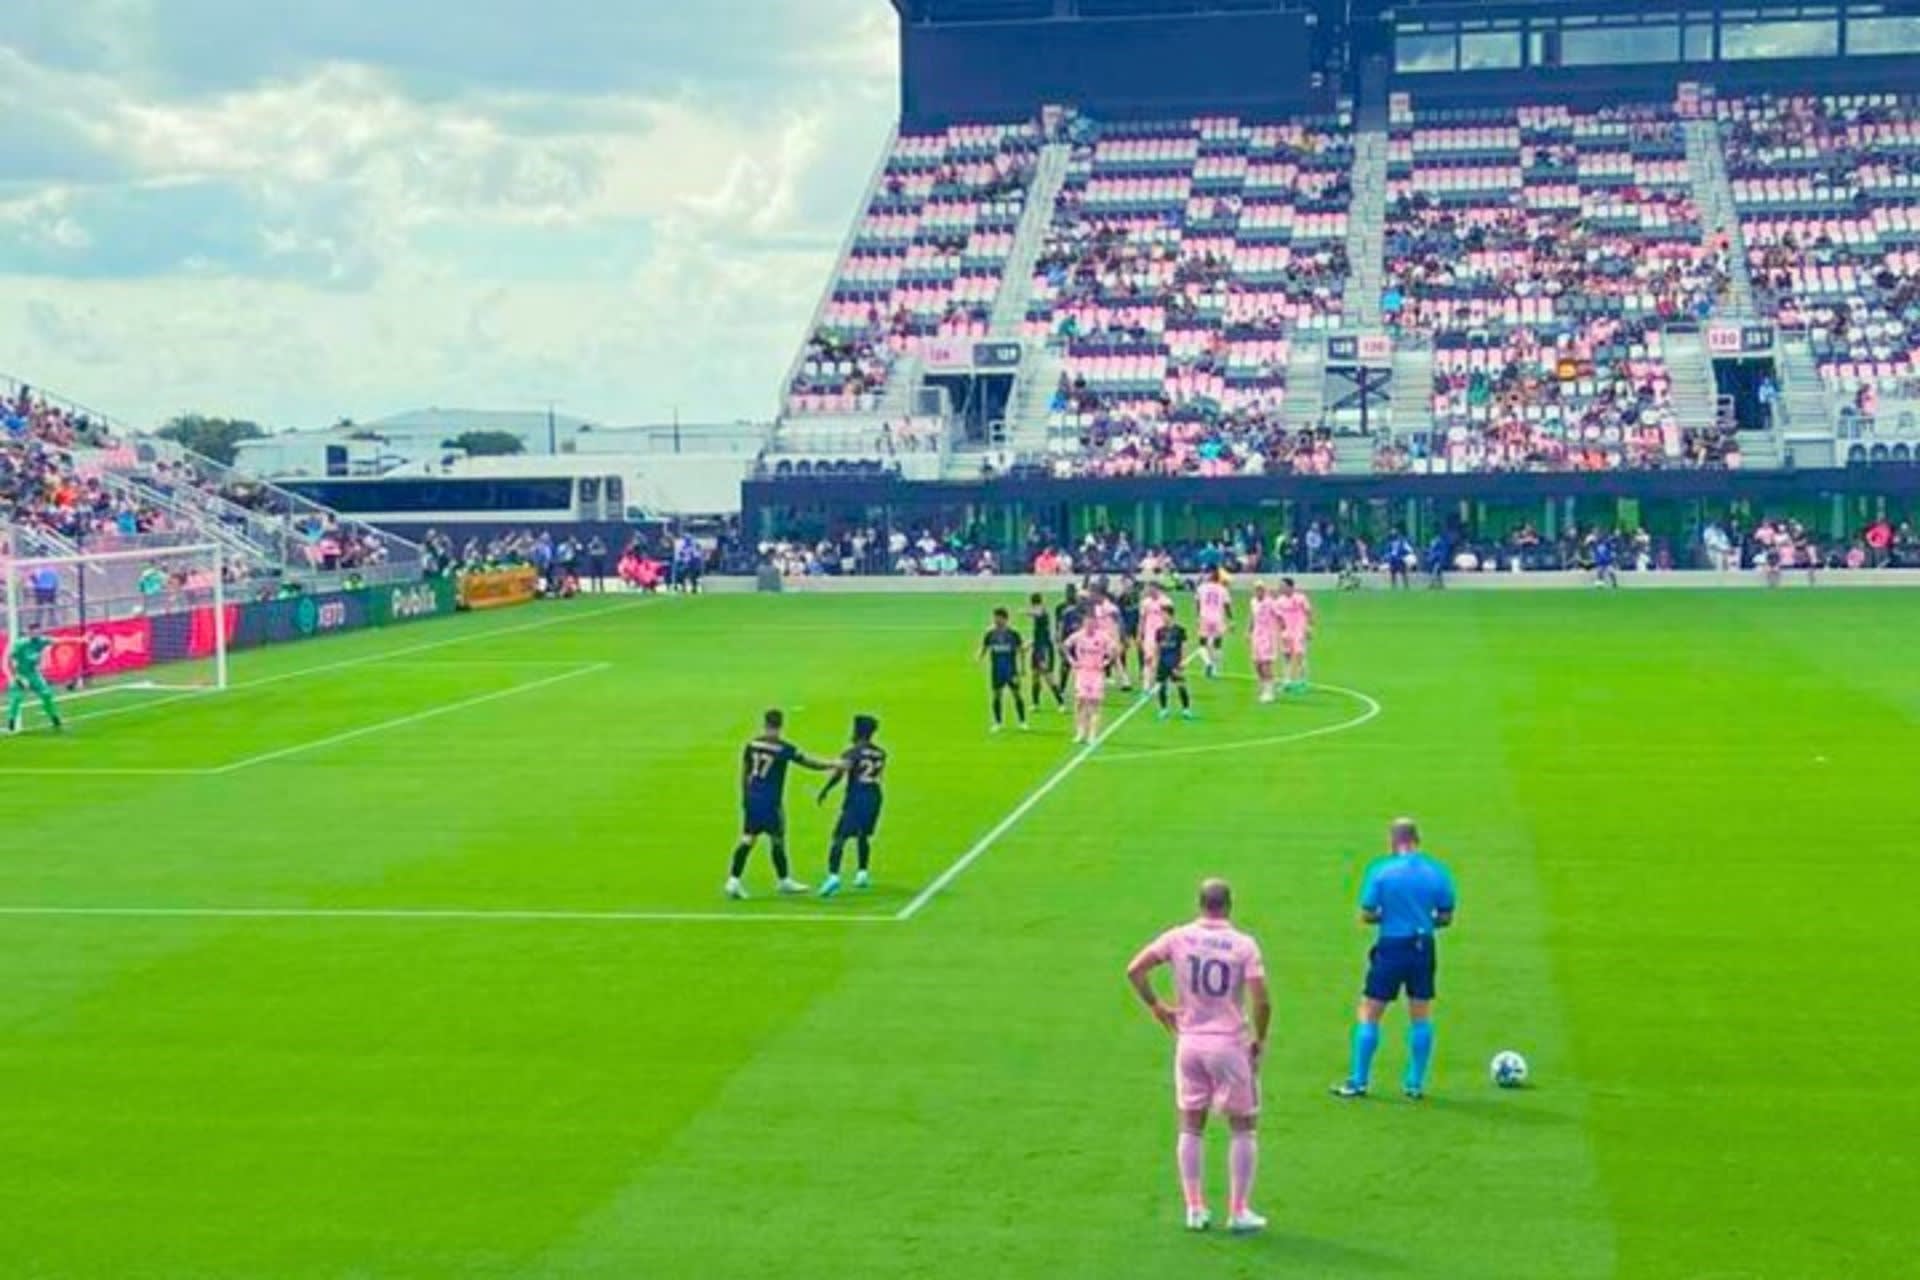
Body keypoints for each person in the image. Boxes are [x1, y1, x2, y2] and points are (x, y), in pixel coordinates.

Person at [1126, 878, 1272, 1234]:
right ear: (1229, 905)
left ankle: (1194, 1208)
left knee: (1191, 1125)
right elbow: (1262, 1000)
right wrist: (1260, 1038)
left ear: (1200, 904)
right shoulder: (1243, 945)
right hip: (1228, 1044)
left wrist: (1157, 1006)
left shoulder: (1178, 937)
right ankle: (1238, 1211)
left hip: (1189, 1043)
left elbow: (1135, 970)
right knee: (1243, 1127)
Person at [1332, 818, 1457, 1101]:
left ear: (1393, 840)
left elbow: (1367, 913)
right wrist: (1424, 920)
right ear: (1417, 839)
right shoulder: (1437, 872)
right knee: (1420, 1014)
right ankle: (1414, 1083)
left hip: (1391, 946)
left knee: (1370, 1011)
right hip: (1423, 946)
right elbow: (1446, 916)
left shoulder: (1381, 871)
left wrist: (1388, 917)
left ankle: (1359, 1080)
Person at [724, 709, 839, 900]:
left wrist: (745, 796)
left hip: (752, 797)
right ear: (780, 725)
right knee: (777, 839)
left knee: (748, 838)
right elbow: (809, 762)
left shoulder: (752, 744)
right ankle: (783, 880)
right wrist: (832, 764)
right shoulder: (784, 748)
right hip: (771, 801)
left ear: (765, 723)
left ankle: (733, 880)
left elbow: (744, 772)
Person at [817, 714, 886, 898]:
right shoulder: (881, 753)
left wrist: (825, 789)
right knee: (863, 835)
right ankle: (862, 873)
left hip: (857, 798)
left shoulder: (852, 753)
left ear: (858, 731)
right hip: (875, 797)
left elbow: (839, 774)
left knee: (839, 837)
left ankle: (833, 876)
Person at [1062, 613, 1112, 745]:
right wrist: (1072, 661)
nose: (1089, 626)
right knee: (1080, 702)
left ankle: (1092, 735)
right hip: (1082, 672)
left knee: (1094, 704)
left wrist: (1106, 662)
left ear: (1095, 624)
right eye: (1087, 623)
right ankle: (1080, 733)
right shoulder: (1078, 636)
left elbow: (1113, 650)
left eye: (1092, 623)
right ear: (1084, 624)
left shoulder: (1103, 636)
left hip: (1096, 673)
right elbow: (1065, 646)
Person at [978, 607, 1029, 733]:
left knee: (1017, 694)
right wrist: (979, 657)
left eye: (998, 618)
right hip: (997, 670)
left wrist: (1023, 668)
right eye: (995, 617)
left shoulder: (1013, 633)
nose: (995, 620)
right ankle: (997, 723)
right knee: (997, 695)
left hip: (1011, 670)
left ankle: (1022, 722)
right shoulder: (990, 633)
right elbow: (984, 647)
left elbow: (1021, 650)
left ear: (1005, 619)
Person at [6, 628, 64, 734]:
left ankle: (54, 717)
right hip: (21, 674)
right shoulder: (21, 644)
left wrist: (81, 639)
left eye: (37, 632)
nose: (35, 634)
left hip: (34, 674)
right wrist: (17, 677)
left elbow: (61, 640)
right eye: (33, 632)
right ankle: (11, 721)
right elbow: (10, 660)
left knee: (46, 694)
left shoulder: (41, 641)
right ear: (29, 633)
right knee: (17, 698)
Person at [1152, 605, 1194, 721]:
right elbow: (1157, 647)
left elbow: (1184, 646)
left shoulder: (1179, 630)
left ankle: (1186, 709)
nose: (1162, 617)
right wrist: (1155, 661)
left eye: (1164, 614)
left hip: (1175, 662)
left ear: (1170, 615)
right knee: (1162, 686)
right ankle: (1163, 709)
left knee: (1181, 685)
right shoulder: (1159, 631)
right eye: (1161, 614)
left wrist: (1183, 661)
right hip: (1163, 662)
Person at [1026, 592, 1065, 713]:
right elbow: (1039, 635)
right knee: (1035, 676)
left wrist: (1025, 612)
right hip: (1037, 648)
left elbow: (1038, 613)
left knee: (1048, 677)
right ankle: (1035, 703)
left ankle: (1061, 703)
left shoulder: (1042, 612)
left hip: (1045, 649)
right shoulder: (1038, 618)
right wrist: (1030, 643)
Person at [1274, 577, 1313, 693]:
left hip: (1299, 631)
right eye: (1280, 586)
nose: (1280, 588)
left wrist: (1309, 627)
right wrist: (1281, 630)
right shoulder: (1279, 601)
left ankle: (1303, 682)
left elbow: (1308, 612)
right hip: (1287, 633)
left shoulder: (1300, 598)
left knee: (1300, 656)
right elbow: (1278, 617)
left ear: (1290, 587)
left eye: (1283, 585)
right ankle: (1287, 681)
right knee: (1286, 657)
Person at [1247, 582, 1281, 704]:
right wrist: (1249, 631)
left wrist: (1283, 630)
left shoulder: (1270, 602)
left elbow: (1279, 616)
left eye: (1261, 589)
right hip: (1257, 635)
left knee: (1266, 663)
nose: (1258, 591)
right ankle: (1263, 685)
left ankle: (1269, 691)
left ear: (1264, 590)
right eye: (1256, 589)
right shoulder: (1253, 602)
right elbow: (1252, 617)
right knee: (1257, 663)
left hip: (1268, 635)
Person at [1195, 568, 1232, 677]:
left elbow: (1197, 602)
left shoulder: (1201, 588)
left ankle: (1208, 663)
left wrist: (1198, 617)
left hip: (1204, 617)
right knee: (1217, 644)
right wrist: (1231, 620)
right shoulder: (1223, 589)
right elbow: (1227, 605)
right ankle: (1214, 670)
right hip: (1217, 618)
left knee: (1202, 644)